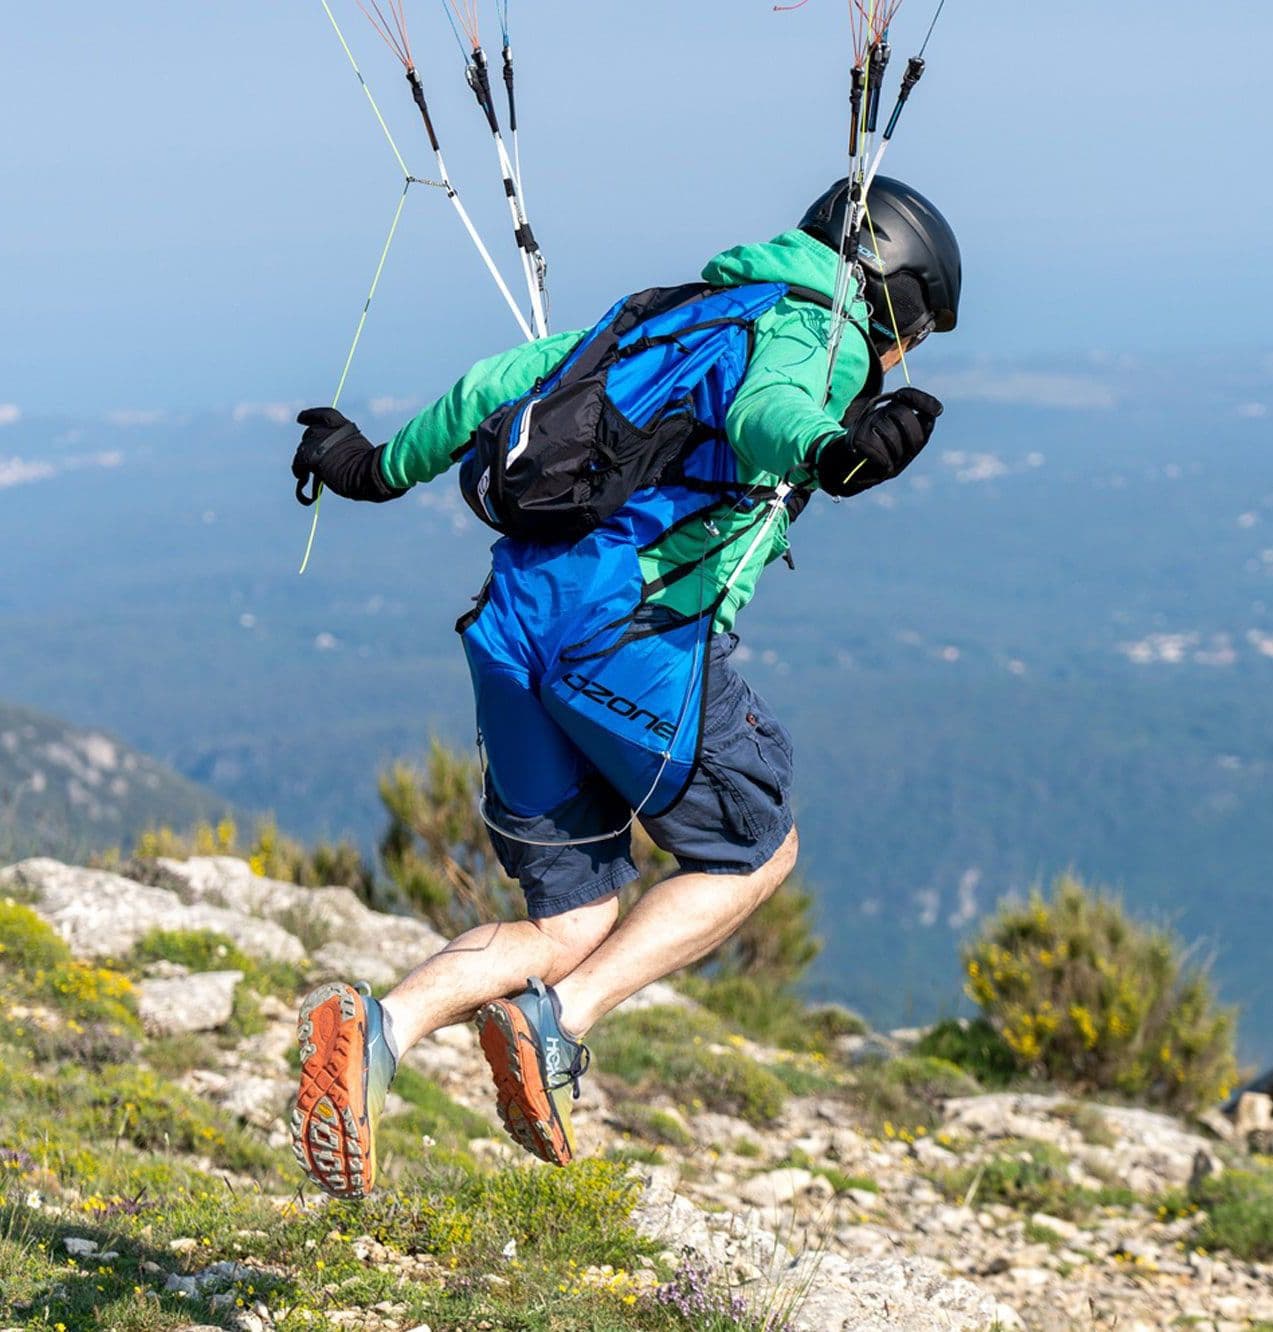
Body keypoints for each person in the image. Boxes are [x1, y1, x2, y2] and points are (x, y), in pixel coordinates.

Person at [288, 176, 961, 1198]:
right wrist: (834, 452)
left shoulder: (666, 310)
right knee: (756, 848)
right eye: (913, 332)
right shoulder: (811, 332)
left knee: (570, 919)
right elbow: (769, 410)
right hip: (625, 633)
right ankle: (560, 1024)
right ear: (894, 291)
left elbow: (486, 390)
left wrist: (373, 467)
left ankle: (384, 1031)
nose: (901, 357)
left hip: (512, 628)